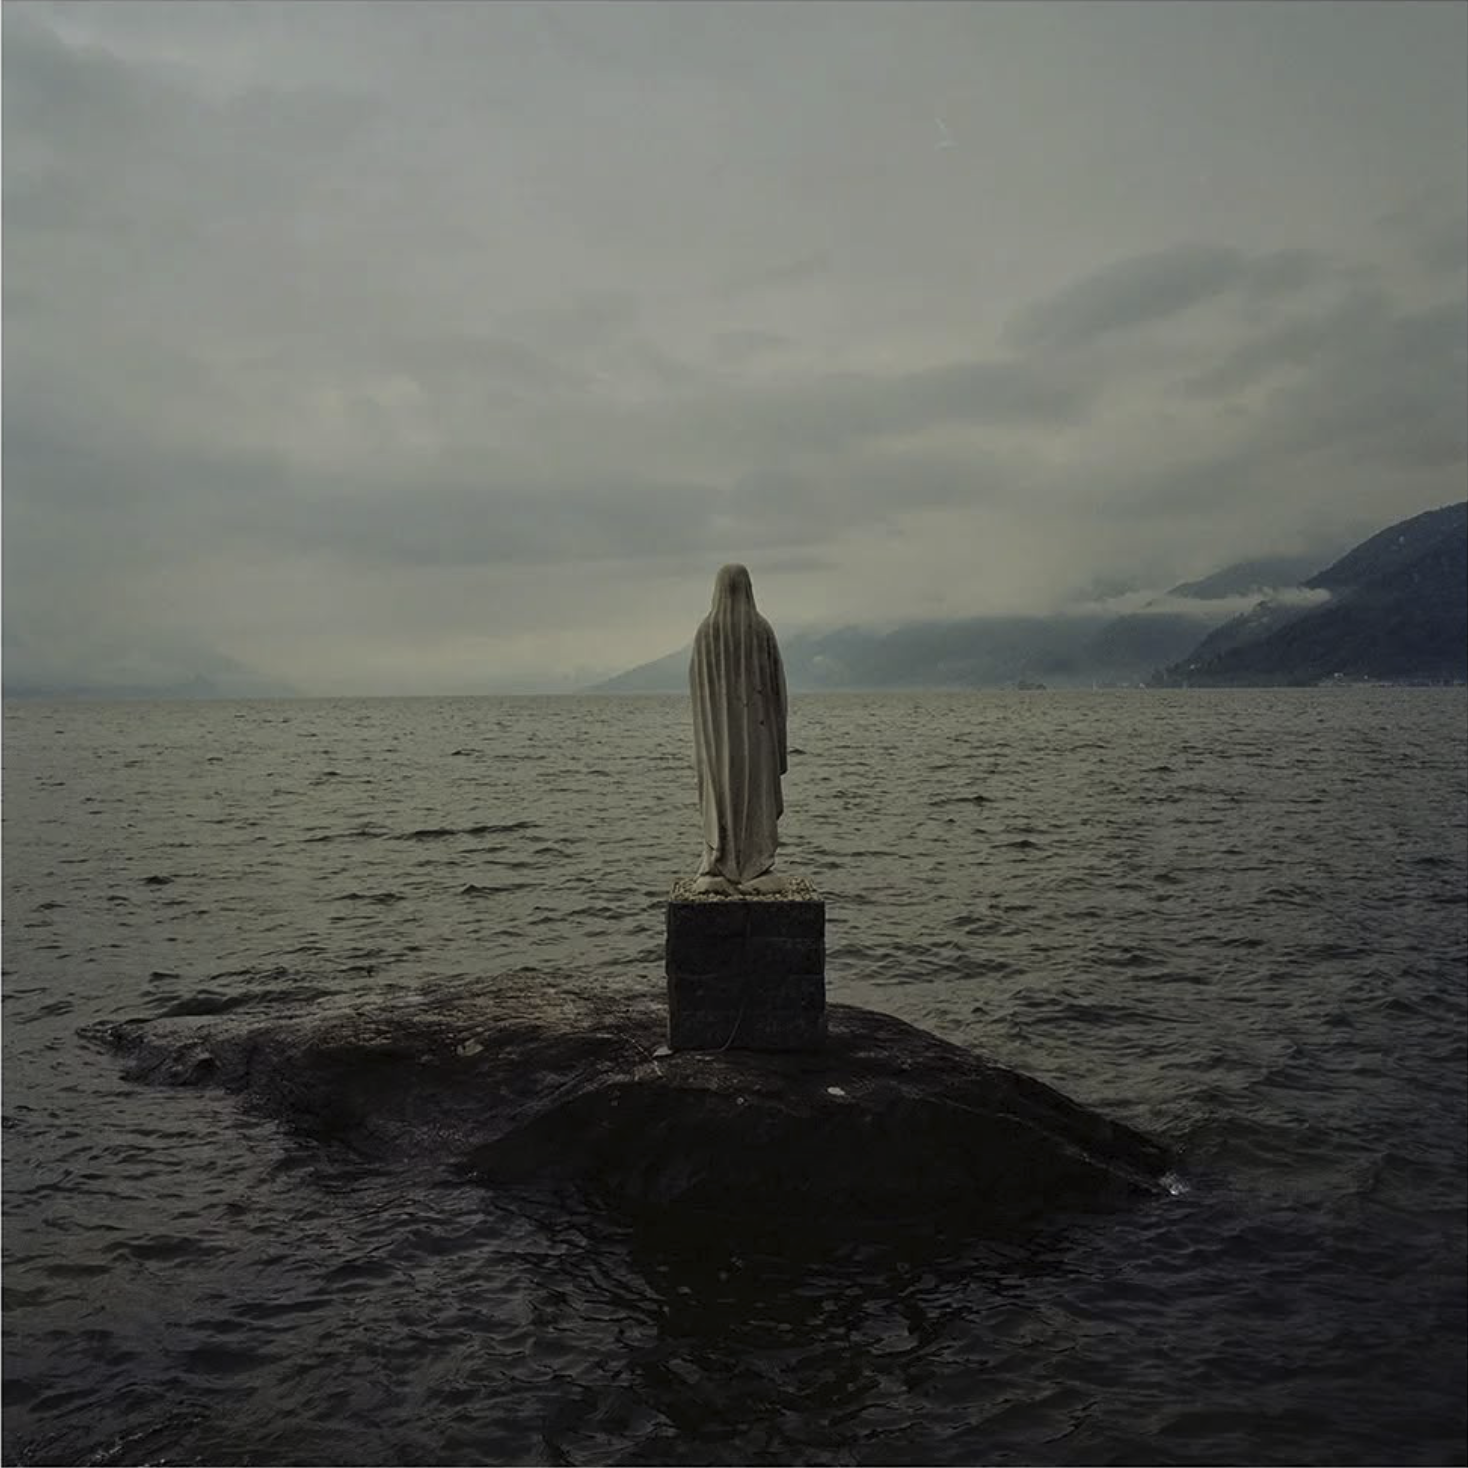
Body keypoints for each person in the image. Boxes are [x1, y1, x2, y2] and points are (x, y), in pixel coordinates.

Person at [688, 564, 789, 893]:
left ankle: (718, 861)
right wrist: (777, 739)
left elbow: (698, 694)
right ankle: (757, 864)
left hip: (717, 742)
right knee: (756, 794)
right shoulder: (761, 630)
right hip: (758, 738)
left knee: (721, 795)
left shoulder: (706, 633)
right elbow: (778, 690)